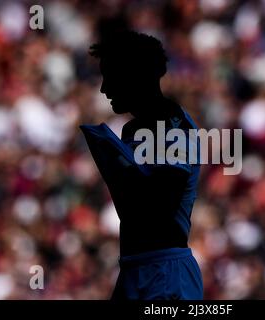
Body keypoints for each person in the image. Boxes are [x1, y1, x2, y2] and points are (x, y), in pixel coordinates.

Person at [80, 29, 203, 300]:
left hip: (166, 273)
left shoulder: (174, 128)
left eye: (109, 76)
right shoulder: (133, 131)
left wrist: (119, 170)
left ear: (133, 76)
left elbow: (160, 207)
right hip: (134, 268)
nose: (104, 88)